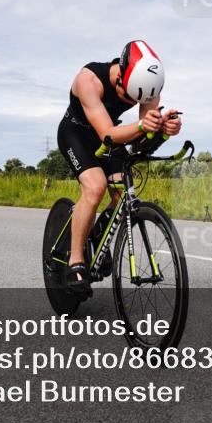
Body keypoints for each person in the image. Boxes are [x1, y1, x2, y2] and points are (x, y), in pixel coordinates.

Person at [57, 40, 182, 293]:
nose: (130, 101)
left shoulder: (149, 87)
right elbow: (108, 134)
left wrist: (165, 130)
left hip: (113, 135)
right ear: (119, 77)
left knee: (123, 192)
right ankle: (76, 260)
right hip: (78, 134)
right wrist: (141, 127)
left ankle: (98, 235)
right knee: (95, 187)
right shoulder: (88, 80)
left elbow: (142, 141)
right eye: (127, 96)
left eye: (136, 100)